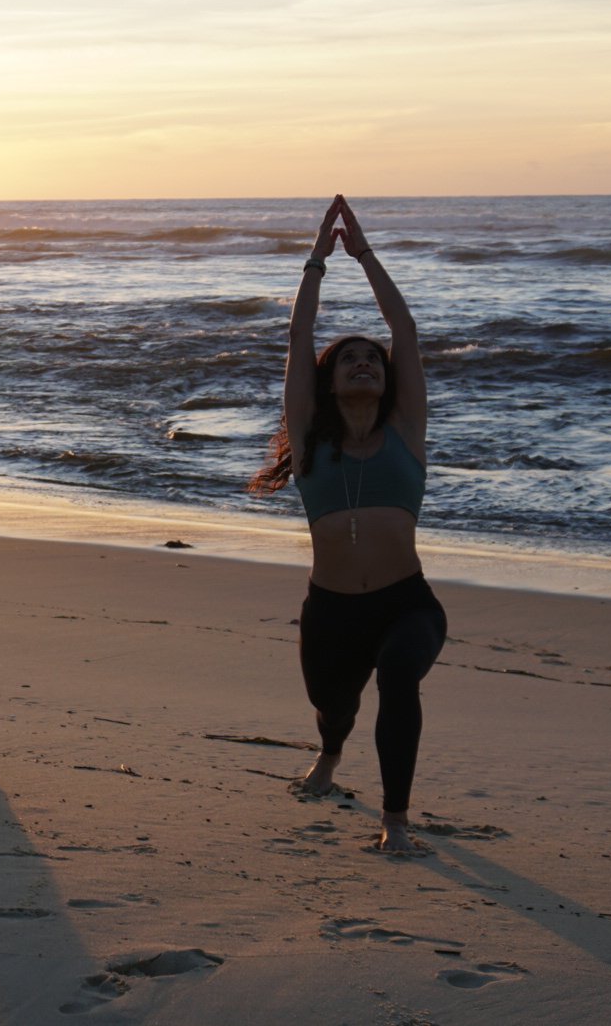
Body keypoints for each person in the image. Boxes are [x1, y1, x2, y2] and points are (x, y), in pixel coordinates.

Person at [251, 195, 448, 855]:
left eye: (372, 358)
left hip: (406, 604)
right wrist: (315, 261)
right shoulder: (311, 444)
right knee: (333, 708)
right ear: (327, 383)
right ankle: (331, 753)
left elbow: (407, 333)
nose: (364, 361)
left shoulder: (405, 433)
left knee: (397, 677)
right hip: (330, 610)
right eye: (349, 359)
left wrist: (362, 253)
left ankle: (395, 823)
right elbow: (298, 338)